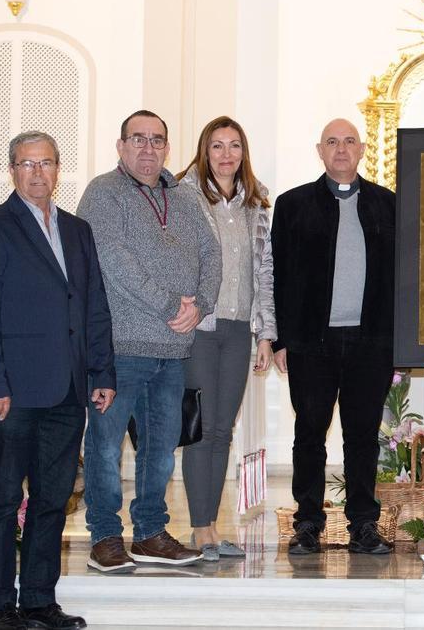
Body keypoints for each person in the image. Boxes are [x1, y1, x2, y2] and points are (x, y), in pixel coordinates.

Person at [0, 131, 115, 630]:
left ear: (57, 169)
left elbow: (93, 307)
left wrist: (102, 371)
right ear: (12, 170)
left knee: (52, 499)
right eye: (27, 164)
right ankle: (0, 605)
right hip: (15, 394)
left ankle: (40, 601)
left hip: (67, 390)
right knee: (4, 498)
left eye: (46, 163)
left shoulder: (77, 230)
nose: (37, 172)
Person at [76, 110, 221, 572]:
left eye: (157, 140)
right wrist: (169, 306)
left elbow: (211, 252)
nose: (148, 148)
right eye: (138, 139)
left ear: (167, 149)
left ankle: (151, 533)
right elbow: (112, 261)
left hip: (173, 351)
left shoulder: (183, 196)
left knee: (160, 449)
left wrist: (201, 304)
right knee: (104, 445)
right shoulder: (104, 193)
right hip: (119, 347)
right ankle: (104, 535)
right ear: (120, 146)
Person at [271, 118, 396, 555]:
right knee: (310, 432)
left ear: (362, 150)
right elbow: (279, 276)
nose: (341, 149)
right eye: (331, 142)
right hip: (311, 342)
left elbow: (403, 279)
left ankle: (364, 523)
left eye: (348, 142)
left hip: (371, 341)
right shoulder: (292, 205)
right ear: (319, 151)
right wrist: (279, 339)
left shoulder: (388, 205)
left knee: (362, 435)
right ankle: (308, 522)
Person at [175, 116, 276, 561]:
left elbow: (264, 273)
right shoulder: (184, 198)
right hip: (201, 328)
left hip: (239, 330)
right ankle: (200, 529)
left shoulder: (256, 203)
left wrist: (266, 336)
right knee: (200, 430)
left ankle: (214, 527)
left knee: (222, 431)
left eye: (234, 146)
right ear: (204, 151)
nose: (226, 155)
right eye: (217, 146)